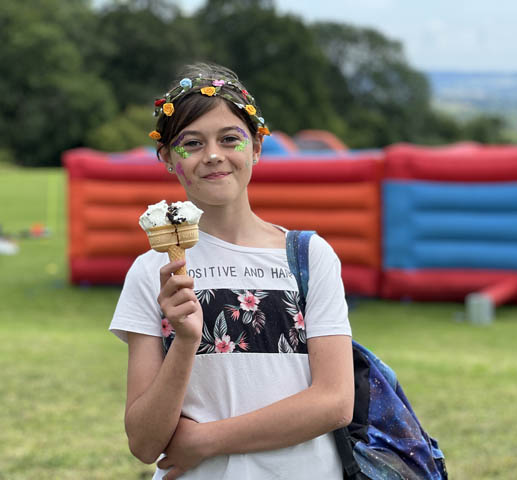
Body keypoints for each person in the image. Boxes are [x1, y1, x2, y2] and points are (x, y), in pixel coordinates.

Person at [109, 62, 354, 480]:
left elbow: (334, 403)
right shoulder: (153, 270)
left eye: (229, 139)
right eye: (191, 143)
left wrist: (207, 440)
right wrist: (185, 338)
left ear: (256, 147)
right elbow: (145, 443)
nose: (214, 156)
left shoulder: (310, 255)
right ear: (168, 158)